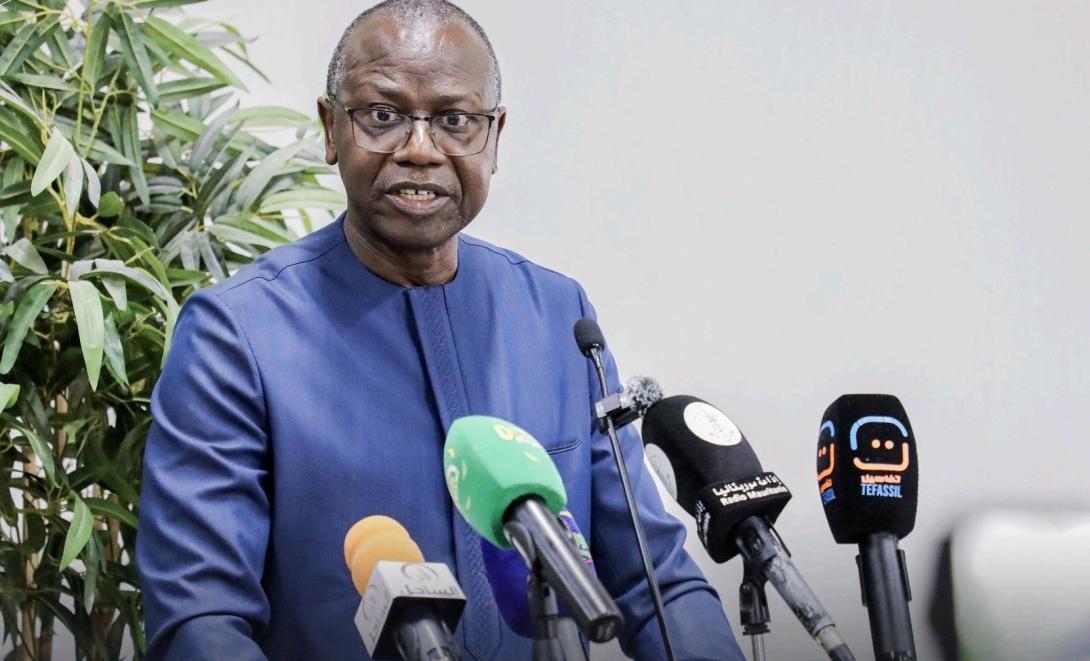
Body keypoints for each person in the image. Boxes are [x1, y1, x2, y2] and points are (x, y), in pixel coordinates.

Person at [137, 1, 746, 659]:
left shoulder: (559, 316)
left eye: (455, 120)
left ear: (494, 135)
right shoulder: (236, 336)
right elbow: (203, 620)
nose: (420, 149)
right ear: (330, 128)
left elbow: (656, 582)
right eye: (382, 115)